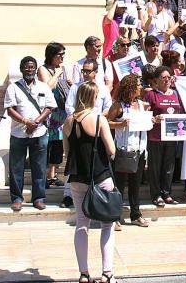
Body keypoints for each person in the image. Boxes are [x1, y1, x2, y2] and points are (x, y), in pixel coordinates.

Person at [63, 82, 118, 283]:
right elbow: (111, 150)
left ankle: (84, 273)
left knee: (81, 224)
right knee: (107, 225)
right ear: (93, 98)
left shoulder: (68, 122)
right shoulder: (98, 120)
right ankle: (107, 272)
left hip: (78, 178)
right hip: (100, 176)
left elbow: (67, 153)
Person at [5, 56, 57, 212]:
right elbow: (10, 110)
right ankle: (16, 199)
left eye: (32, 67)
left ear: (36, 69)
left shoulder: (43, 87)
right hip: (18, 133)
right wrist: (25, 122)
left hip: (39, 133)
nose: (29, 70)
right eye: (26, 67)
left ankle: (38, 198)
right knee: (16, 168)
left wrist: (36, 122)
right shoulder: (13, 88)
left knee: (39, 168)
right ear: (21, 69)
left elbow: (49, 107)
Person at [107, 73, 150, 228]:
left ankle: (135, 214)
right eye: (138, 85)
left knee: (135, 184)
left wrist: (151, 120)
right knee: (119, 185)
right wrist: (120, 124)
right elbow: (107, 123)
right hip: (123, 150)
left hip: (139, 149)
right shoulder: (118, 106)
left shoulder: (141, 105)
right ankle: (115, 216)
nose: (141, 87)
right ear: (131, 87)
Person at [144, 66, 184, 207]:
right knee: (155, 167)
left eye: (169, 77)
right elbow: (145, 115)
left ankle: (166, 193)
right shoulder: (151, 95)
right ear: (156, 80)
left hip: (172, 136)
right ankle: (156, 195)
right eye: (163, 77)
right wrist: (154, 118)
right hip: (155, 137)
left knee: (169, 167)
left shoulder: (175, 94)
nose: (167, 80)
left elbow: (181, 112)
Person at [39, 42, 73, 206]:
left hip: (62, 113)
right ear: (51, 55)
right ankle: (45, 176)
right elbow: (47, 87)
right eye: (59, 54)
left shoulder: (63, 69)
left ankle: (52, 175)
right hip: (49, 114)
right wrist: (57, 75)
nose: (62, 57)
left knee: (58, 145)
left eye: (63, 55)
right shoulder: (43, 69)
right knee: (48, 145)